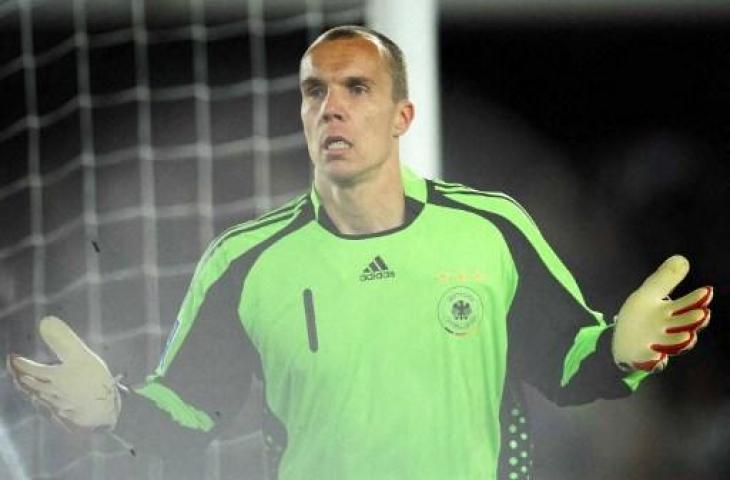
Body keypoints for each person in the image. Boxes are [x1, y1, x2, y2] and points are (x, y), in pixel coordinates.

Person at [6, 26, 713, 480]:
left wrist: (619, 350)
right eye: (316, 92)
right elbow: (191, 412)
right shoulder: (245, 262)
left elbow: (565, 361)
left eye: (357, 89)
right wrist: (115, 409)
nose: (333, 108)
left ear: (404, 115)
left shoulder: (490, 230)